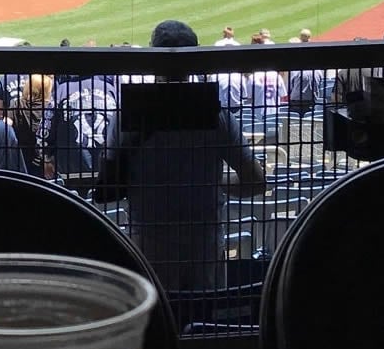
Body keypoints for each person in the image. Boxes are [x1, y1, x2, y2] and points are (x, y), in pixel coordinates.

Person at [96, 20, 266, 291]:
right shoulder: (216, 114)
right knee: (206, 328)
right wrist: (212, 184)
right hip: (204, 248)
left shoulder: (126, 116)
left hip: (148, 248)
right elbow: (256, 181)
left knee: (157, 327)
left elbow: (108, 186)